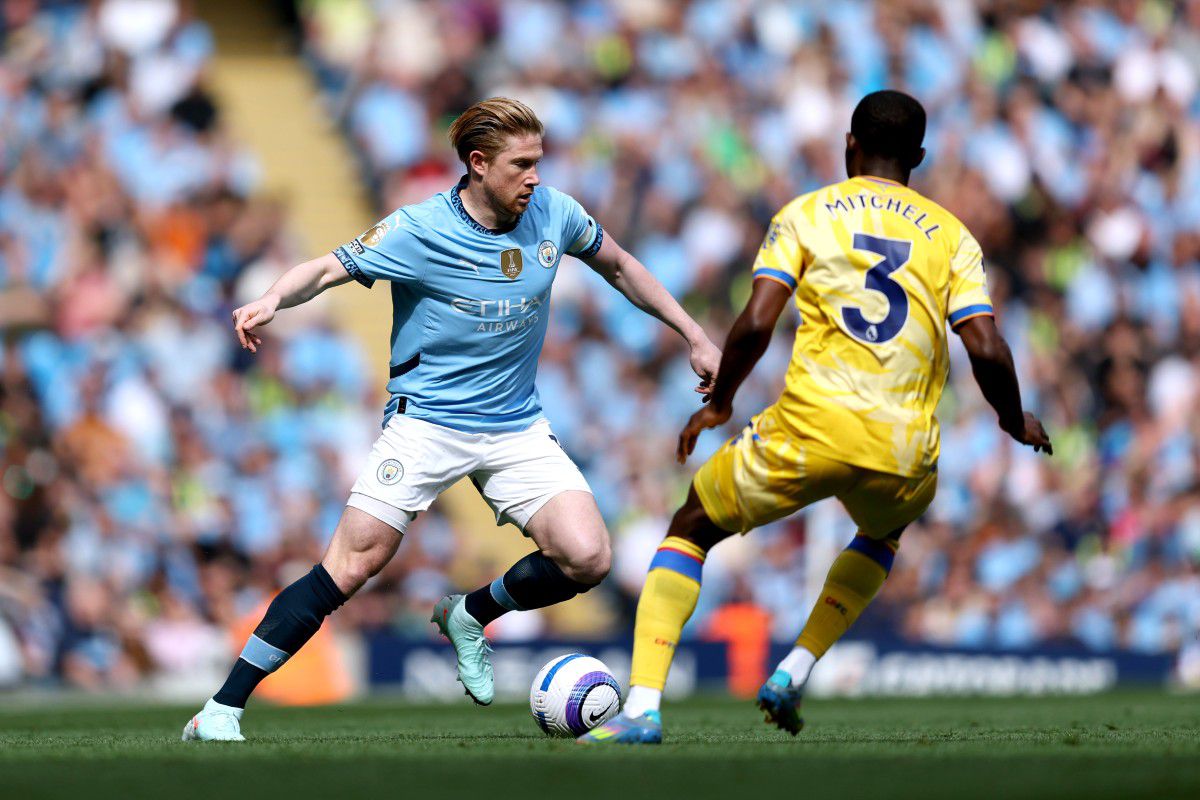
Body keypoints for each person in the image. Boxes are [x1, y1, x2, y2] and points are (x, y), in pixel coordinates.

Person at [182, 97, 721, 742]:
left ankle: (469, 612)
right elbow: (327, 267)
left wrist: (693, 334)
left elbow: (621, 266)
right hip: (427, 423)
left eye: (538, 162)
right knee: (350, 567)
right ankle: (221, 709)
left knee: (588, 557)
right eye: (520, 165)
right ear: (478, 163)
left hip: (516, 425)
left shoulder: (554, 213)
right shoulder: (419, 229)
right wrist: (273, 297)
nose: (534, 178)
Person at [580, 90, 1052, 745]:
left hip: (812, 429)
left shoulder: (807, 213)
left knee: (691, 527)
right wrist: (1013, 419)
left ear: (849, 143)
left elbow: (757, 321)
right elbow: (988, 347)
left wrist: (720, 402)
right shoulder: (952, 236)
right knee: (882, 535)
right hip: (904, 450)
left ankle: (642, 709)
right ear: (918, 156)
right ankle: (795, 670)